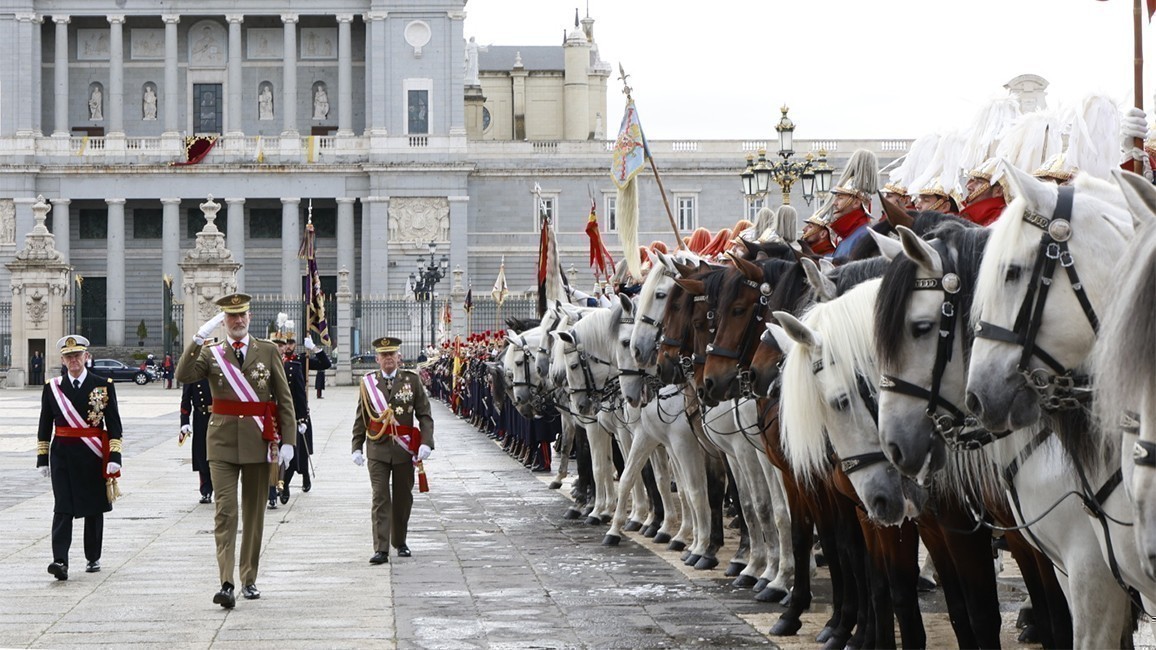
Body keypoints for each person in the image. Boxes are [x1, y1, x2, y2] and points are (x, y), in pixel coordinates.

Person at [174, 293, 296, 609]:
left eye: (242, 315)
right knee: (225, 512)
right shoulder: (212, 354)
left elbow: (284, 399)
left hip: (258, 443)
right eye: (231, 317)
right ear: (224, 322)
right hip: (222, 444)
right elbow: (183, 376)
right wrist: (198, 339)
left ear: (250, 317)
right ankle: (226, 582)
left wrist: (289, 441)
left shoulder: (267, 351)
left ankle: (249, 578)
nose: (237, 321)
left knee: (254, 516)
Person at [37, 335, 123, 580]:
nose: (73, 360)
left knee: (93, 506)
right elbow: (44, 424)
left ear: (86, 357)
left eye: (78, 355)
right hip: (62, 454)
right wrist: (42, 458)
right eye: (69, 356)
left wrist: (115, 455)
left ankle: (92, 556)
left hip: (92, 453)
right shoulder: (52, 387)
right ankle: (60, 560)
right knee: (62, 506)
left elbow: (114, 424)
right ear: (62, 360)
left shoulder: (103, 385)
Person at [351, 336, 434, 565]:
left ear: (399, 357)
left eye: (392, 355)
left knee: (402, 498)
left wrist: (426, 442)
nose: (388, 359)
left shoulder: (412, 381)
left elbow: (424, 414)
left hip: (403, 450)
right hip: (377, 449)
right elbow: (362, 417)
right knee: (380, 497)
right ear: (377, 358)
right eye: (384, 355)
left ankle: (400, 541)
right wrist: (356, 446)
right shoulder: (368, 383)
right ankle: (381, 548)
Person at [180, 377, 214, 503]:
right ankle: (206, 490)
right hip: (201, 417)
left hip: (219, 416)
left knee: (220, 453)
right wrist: (184, 421)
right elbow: (186, 398)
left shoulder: (220, 368)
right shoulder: (194, 372)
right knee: (202, 454)